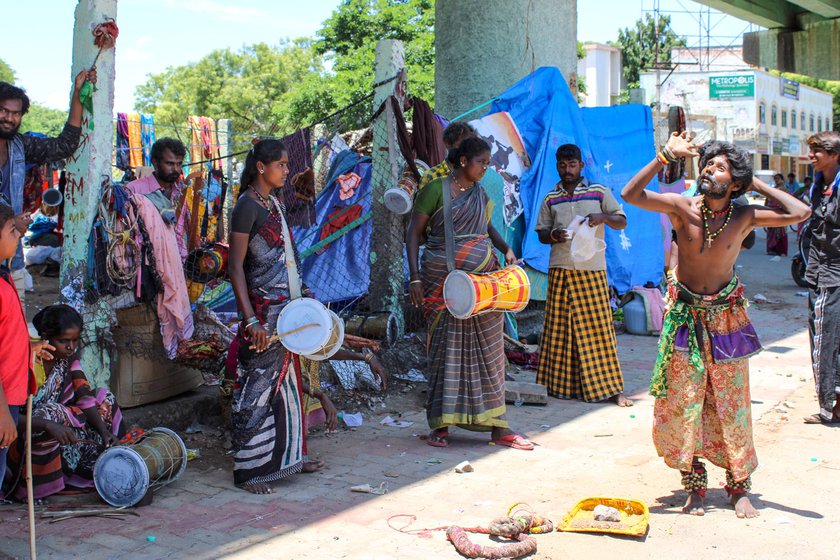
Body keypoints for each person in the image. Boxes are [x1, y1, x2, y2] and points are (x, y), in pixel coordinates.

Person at [621, 133, 810, 518]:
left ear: (735, 183)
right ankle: (695, 485)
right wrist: (663, 156)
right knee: (684, 401)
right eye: (707, 163)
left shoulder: (745, 216)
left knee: (730, 403)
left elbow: (799, 212)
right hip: (684, 319)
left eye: (720, 167)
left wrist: (752, 180)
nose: (708, 169)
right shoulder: (682, 208)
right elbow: (630, 194)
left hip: (725, 319)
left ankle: (739, 486)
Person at [228, 139, 387, 494]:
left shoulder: (273, 204)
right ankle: (249, 470)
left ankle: (288, 461)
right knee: (258, 389)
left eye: (286, 165)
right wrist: (251, 319)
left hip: (288, 307)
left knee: (286, 386)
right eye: (281, 165)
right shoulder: (246, 208)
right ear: (261, 167)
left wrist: (303, 295)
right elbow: (235, 267)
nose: (287, 170)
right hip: (264, 314)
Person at [406, 137, 533, 450]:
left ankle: (497, 427)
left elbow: (487, 227)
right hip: (440, 281)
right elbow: (412, 233)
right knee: (444, 351)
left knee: (490, 352)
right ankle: (441, 425)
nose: (485, 168)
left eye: (488, 163)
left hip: (483, 284)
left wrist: (506, 249)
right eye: (481, 162)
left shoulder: (479, 192)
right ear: (463, 161)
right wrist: (414, 279)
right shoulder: (435, 189)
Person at [534, 144, 632, 407]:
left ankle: (612, 389)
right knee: (559, 331)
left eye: (572, 165)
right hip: (560, 269)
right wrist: (554, 235)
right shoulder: (550, 198)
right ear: (557, 166)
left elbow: (621, 220)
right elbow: (542, 233)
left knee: (599, 330)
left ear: (581, 165)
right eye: (563, 166)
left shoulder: (598, 192)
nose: (568, 170)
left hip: (592, 270)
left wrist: (601, 217)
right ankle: (560, 387)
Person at [4, 304, 123, 500]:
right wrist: (49, 425)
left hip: (59, 426)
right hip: (22, 436)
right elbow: (10, 417)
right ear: (45, 337)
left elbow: (83, 395)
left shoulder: (68, 358)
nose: (70, 347)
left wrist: (103, 431)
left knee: (104, 399)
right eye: (63, 341)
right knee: (52, 412)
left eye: (75, 341)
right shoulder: (27, 362)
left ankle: (99, 460)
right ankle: (36, 485)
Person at [0, 70, 97, 304]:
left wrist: (77, 94)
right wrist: (11, 222)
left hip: (9, 260)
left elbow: (64, 145)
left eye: (15, 113)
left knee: (13, 329)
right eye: (3, 111)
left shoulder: (19, 146)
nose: (9, 118)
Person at [0, 203, 41, 499]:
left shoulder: (4, 279)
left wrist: (29, 348)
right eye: (12, 231)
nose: (18, 238)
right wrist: (2, 413)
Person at [803, 131, 840, 426]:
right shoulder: (819, 185)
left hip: (833, 274)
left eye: (817, 151)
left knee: (823, 340)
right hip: (818, 271)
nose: (811, 156)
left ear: (834, 154)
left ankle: (829, 407)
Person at [126, 137, 192, 260]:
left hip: (175, 260)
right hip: (144, 262)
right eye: (170, 163)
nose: (176, 169)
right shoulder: (134, 190)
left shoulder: (180, 192)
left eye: (179, 164)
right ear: (155, 163)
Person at [416, 122, 477, 191]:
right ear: (447, 143)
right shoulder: (431, 176)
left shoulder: (472, 180)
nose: (468, 151)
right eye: (462, 145)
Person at [765, 173, 789, 256]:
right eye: (775, 179)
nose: (776, 180)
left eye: (778, 178)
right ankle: (772, 249)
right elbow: (768, 200)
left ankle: (782, 250)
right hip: (771, 212)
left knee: (781, 232)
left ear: (782, 179)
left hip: (780, 213)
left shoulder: (784, 189)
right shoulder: (774, 189)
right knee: (771, 231)